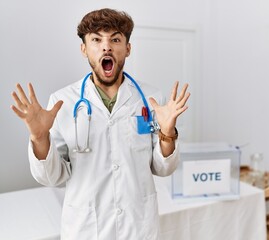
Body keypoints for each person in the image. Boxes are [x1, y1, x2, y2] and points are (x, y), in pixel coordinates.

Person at [10, 8, 190, 240]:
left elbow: (163, 168)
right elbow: (53, 177)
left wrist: (167, 132)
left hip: (138, 227)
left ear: (127, 48)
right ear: (84, 49)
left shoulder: (151, 98)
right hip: (86, 229)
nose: (106, 47)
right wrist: (39, 138)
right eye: (96, 39)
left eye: (115, 39)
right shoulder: (62, 102)